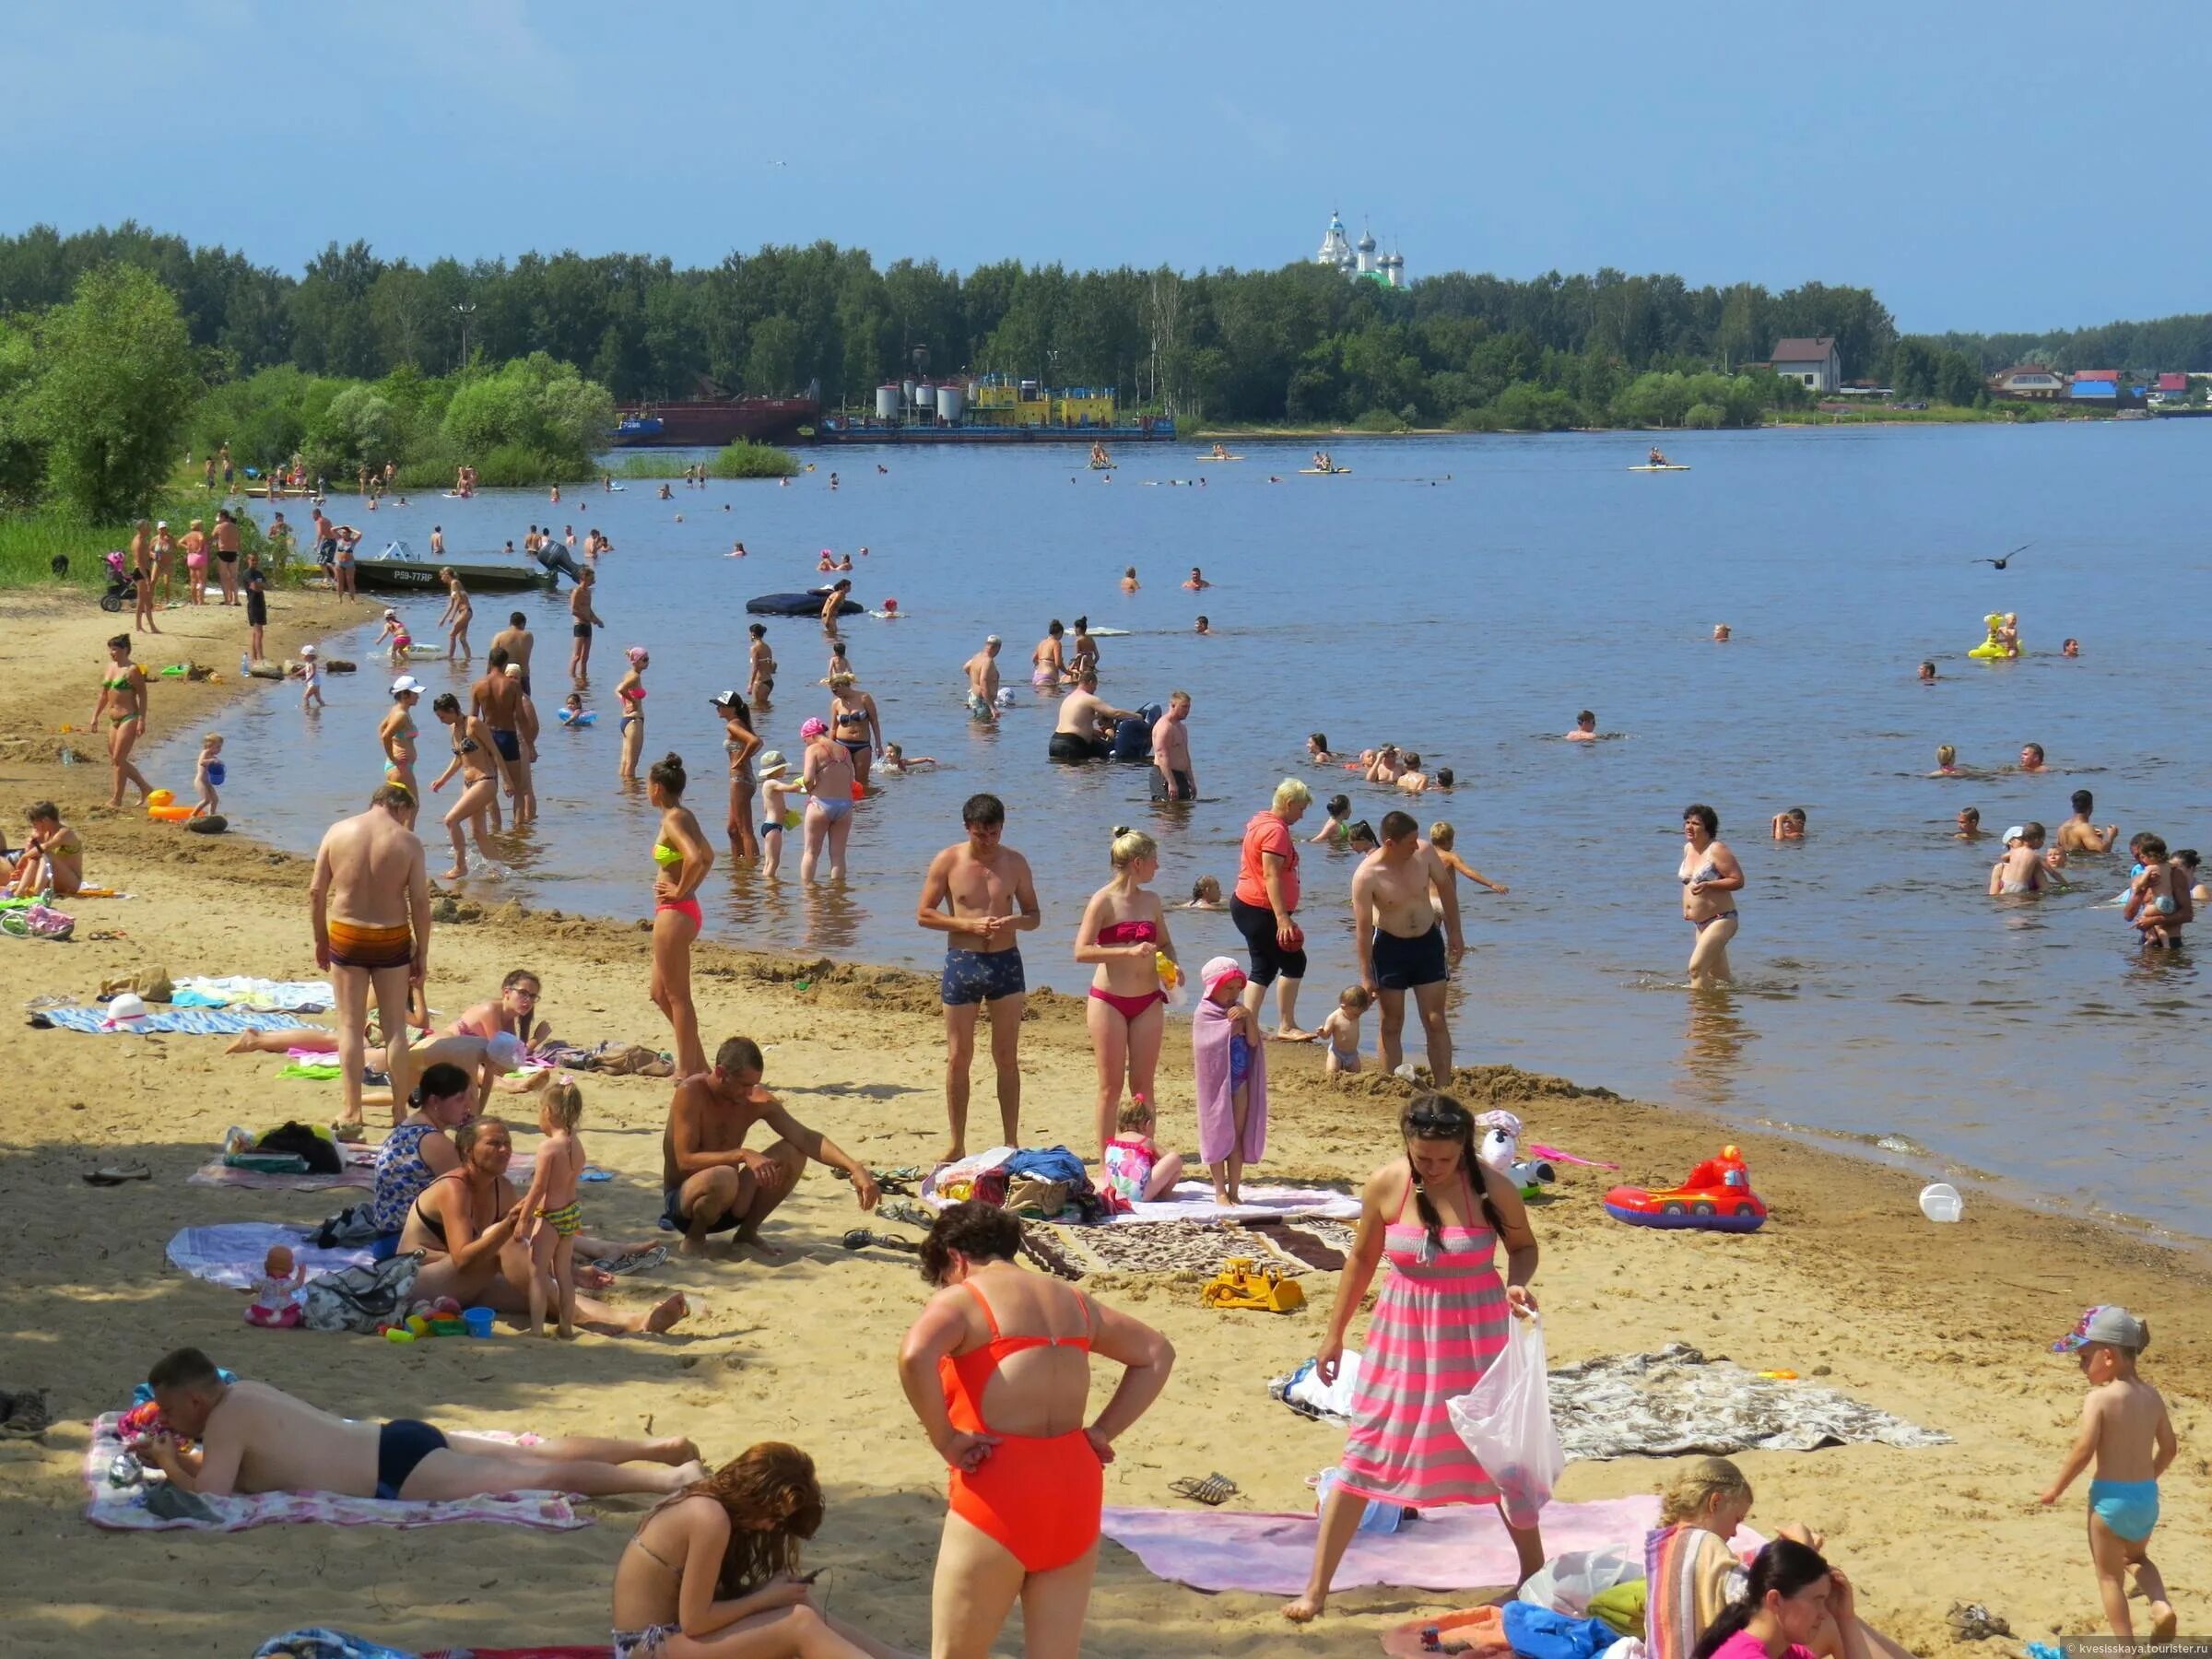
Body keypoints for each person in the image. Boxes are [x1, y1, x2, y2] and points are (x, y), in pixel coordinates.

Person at [1284, 1094, 1541, 1622]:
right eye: (1423, 1158)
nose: (1433, 1168)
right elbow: (1359, 1261)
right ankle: (1316, 1589)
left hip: (1478, 1335)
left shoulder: (1493, 1189)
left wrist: (1517, 1286)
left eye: (1444, 1160)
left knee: (1498, 1457)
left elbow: (1524, 1247)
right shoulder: (1386, 1184)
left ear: (1463, 1150)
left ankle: (1533, 1576)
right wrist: (1333, 1336)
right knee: (1366, 1450)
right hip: (1403, 1332)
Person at [896, 1202, 1174, 1659]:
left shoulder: (965, 1298)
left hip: (999, 1488)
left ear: (956, 1257)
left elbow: (914, 1355)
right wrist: (1103, 1431)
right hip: (1075, 1488)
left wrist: (945, 1439)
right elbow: (1156, 1353)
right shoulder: (1074, 1300)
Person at [135, 1347, 701, 1501]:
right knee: (538, 1451)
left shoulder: (227, 1420)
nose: (166, 1419)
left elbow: (214, 1497)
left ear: (195, 1400)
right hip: (397, 1436)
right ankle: (655, 1448)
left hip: (395, 1471)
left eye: (169, 1409)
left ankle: (668, 1482)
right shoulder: (245, 1394)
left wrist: (167, 1463)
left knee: (539, 1477)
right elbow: (227, 1472)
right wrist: (179, 1456)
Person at [612, 1443, 916, 1659]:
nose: (771, 1528)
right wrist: (765, 1598)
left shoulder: (708, 1502)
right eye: (773, 1517)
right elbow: (696, 1621)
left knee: (799, 1605)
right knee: (799, 1625)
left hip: (668, 1640)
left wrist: (771, 1598)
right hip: (645, 1648)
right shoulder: (709, 1517)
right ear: (753, 1496)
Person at [404, 1116, 688, 1334]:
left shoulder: (500, 1186)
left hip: (468, 1282)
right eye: (493, 1144)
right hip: (417, 1281)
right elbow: (464, 1258)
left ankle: (634, 1321)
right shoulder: (454, 1188)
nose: (504, 1150)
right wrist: (508, 1226)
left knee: (544, 1290)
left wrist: (569, 1271)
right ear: (467, 1151)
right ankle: (580, 1319)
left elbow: (527, 1245)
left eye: (507, 1144)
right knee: (503, 1240)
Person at [1645, 1457, 1916, 1659]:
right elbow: (1758, 1603)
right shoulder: (1706, 1544)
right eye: (1736, 1518)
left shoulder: (1667, 1544)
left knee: (1834, 1613)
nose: (1736, 1530)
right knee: (1831, 1621)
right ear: (1715, 1503)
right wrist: (1803, 1551)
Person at [663, 1036, 880, 1257]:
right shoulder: (691, 1093)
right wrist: (743, 1155)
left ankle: (747, 1233)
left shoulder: (756, 1100)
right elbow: (685, 1160)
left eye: (754, 1085)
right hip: (685, 1204)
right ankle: (695, 1239)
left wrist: (855, 1168)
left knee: (793, 1151)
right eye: (744, 1085)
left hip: (730, 1202)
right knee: (724, 1175)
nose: (749, 1092)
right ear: (720, 1073)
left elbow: (806, 1137)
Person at [917, 794, 1040, 1162]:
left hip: (1006, 962)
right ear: (967, 828)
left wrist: (1014, 921)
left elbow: (1034, 915)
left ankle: (1010, 1140)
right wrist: (967, 924)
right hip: (963, 961)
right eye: (981, 834)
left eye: (994, 833)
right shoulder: (949, 860)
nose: (988, 840)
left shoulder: (1015, 862)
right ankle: (957, 1143)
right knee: (959, 1056)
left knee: (1006, 1055)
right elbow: (924, 913)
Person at [311, 783, 431, 1137]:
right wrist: (421, 950)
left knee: (349, 1025)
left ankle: (352, 1110)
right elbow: (421, 903)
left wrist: (321, 937)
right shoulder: (408, 842)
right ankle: (398, 1112)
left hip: (347, 932)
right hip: (390, 935)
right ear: (401, 807)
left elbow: (316, 891)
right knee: (394, 1028)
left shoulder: (338, 831)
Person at [1075, 827, 1178, 1155]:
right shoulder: (1103, 900)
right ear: (1137, 863)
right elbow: (1081, 951)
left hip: (1148, 1000)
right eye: (1153, 861)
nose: (1157, 867)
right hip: (1109, 1001)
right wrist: (1126, 952)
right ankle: (1107, 1161)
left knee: (1143, 1086)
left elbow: (1164, 943)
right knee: (1110, 1086)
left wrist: (1172, 968)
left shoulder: (1152, 900)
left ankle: (1141, 1153)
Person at [1352, 811, 1464, 1083]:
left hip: (1427, 943)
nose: (1417, 845)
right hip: (1390, 948)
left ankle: (1443, 1084)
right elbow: (1364, 929)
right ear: (1390, 843)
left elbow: (1446, 890)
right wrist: (1366, 976)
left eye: (1417, 839)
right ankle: (1393, 1083)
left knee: (1436, 1019)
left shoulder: (1424, 853)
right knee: (1391, 1022)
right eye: (1410, 841)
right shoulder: (1367, 875)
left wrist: (1455, 933)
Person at [1685, 1539, 1872, 1659]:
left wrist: (1845, 1619)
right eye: (1816, 1600)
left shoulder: (1788, 1653)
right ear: (1775, 1600)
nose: (1823, 1614)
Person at [648, 754, 714, 1079]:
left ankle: (688, 1070)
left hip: (675, 913)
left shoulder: (673, 819)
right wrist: (689, 890)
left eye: (648, 785)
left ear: (657, 787)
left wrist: (680, 891)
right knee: (659, 993)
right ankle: (698, 1062)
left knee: (677, 997)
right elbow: (709, 855)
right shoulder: (684, 814)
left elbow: (694, 857)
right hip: (681, 910)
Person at [1233, 778, 1314, 1040]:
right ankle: (1286, 1025)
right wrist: (1282, 918)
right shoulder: (1275, 831)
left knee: (1264, 966)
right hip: (1260, 908)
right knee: (1295, 961)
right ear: (1289, 804)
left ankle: (1249, 1022)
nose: (1302, 816)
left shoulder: (1261, 821)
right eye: (1301, 809)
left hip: (1248, 905)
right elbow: (1271, 875)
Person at [1192, 958, 1265, 1204]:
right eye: (1228, 988)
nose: (1234, 994)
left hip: (1240, 1081)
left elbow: (1253, 1042)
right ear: (1213, 987)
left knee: (1236, 1134)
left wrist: (1249, 1017)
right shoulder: (1205, 1012)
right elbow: (1205, 1045)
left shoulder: (1240, 1011)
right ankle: (1219, 1190)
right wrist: (1228, 1027)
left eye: (1237, 988)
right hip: (1215, 1086)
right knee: (1217, 1132)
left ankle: (1234, 1190)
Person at [518, 1077, 587, 1338]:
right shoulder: (575, 1143)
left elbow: (538, 1189)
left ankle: (536, 1330)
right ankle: (566, 1326)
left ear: (548, 1112)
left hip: (550, 1216)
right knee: (564, 1274)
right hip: (570, 1213)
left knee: (537, 1273)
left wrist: (524, 1219)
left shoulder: (549, 1147)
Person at [370, 1060, 475, 1230]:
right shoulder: (434, 1142)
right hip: (409, 1237)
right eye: (460, 1099)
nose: (468, 1106)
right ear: (434, 1101)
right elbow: (469, 1192)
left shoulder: (409, 1127)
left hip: (387, 1230)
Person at [430, 693, 499, 880]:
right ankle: (498, 870)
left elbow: (495, 751)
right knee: (478, 833)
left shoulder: (474, 723)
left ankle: (460, 866)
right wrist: (443, 780)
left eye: (442, 716)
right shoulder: (453, 728)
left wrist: (507, 781)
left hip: (485, 780)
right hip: (468, 783)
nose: (441, 721)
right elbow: (460, 758)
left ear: (452, 710)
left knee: (451, 820)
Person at [1679, 804, 1745, 991]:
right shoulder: (1688, 849)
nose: (1689, 827)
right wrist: (1687, 908)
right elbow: (1688, 884)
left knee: (1696, 969)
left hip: (1722, 919)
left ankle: (1698, 1017)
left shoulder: (1716, 849)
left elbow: (1738, 880)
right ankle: (1722, 1016)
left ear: (1708, 827)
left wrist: (1710, 884)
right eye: (1687, 822)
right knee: (1720, 980)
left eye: (1696, 824)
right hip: (1700, 923)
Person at [92, 635, 153, 809]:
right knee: (116, 760)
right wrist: (95, 716)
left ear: (125, 649)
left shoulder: (132, 670)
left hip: (129, 716)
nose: (112, 653)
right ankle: (145, 788)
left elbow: (143, 694)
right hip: (113, 719)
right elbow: (104, 694)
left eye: (115, 649)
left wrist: (142, 719)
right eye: (110, 649)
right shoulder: (110, 667)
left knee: (119, 758)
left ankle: (116, 799)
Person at [798, 716, 857, 884]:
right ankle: (838, 895)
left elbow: (808, 778)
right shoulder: (845, 751)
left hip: (821, 805)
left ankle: (808, 894)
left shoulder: (813, 749)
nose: (806, 744)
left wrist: (809, 790)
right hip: (845, 806)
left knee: (811, 852)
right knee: (838, 855)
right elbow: (851, 781)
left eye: (805, 740)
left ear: (810, 735)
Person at [1101, 1096, 1185, 1203]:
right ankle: (1164, 1195)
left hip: (1115, 1194)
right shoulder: (1146, 1142)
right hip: (1139, 1195)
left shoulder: (1112, 1144)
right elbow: (1166, 1159)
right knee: (1174, 1159)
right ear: (1147, 1124)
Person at [711, 692, 763, 860]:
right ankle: (739, 868)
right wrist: (744, 759)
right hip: (744, 778)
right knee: (732, 830)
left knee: (744, 829)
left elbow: (754, 741)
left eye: (721, 706)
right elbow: (759, 742)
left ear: (731, 708)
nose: (717, 708)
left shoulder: (733, 725)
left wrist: (741, 760)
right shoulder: (740, 723)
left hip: (739, 780)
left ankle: (751, 868)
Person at [2123, 834, 2194, 948]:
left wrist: (2154, 920)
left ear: (2155, 854)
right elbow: (2128, 916)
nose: (2139, 860)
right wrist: (2143, 888)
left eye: (2142, 855)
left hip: (2171, 942)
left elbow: (2187, 915)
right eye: (2136, 856)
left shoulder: (2175, 874)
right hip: (2147, 941)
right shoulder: (2139, 878)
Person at [1047, 670, 1130, 762]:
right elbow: (1114, 713)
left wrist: (1098, 733)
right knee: (1088, 774)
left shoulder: (1069, 699)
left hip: (1055, 742)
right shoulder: (1089, 698)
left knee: (1064, 775)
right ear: (1091, 682)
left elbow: (1075, 724)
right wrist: (1136, 716)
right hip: (1072, 744)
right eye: (1095, 686)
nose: (1095, 689)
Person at [7, 802, 83, 900]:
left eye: (35, 824)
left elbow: (43, 849)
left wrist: (23, 857)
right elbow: (34, 853)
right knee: (36, 857)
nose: (34, 827)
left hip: (71, 884)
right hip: (55, 882)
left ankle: (38, 893)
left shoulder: (64, 833)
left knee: (46, 855)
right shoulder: (48, 833)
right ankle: (19, 892)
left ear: (45, 820)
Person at [827, 672, 883, 786]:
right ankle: (848, 804)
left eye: (834, 690)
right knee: (842, 781)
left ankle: (864, 804)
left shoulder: (864, 698)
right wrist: (829, 748)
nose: (834, 693)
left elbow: (874, 722)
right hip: (841, 745)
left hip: (861, 745)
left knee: (862, 782)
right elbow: (833, 727)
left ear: (841, 686)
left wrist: (878, 744)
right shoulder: (836, 703)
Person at [1429, 823, 1507, 899]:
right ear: (1448, 840)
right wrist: (1492, 884)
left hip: (1428, 902)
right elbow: (1468, 872)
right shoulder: (1451, 857)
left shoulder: (1425, 855)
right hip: (1445, 903)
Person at [381, 677, 423, 799]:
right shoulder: (401, 715)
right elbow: (385, 735)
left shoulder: (396, 710)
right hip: (400, 768)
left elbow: (381, 728)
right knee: (413, 807)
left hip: (400, 766)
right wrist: (393, 757)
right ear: (405, 694)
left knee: (400, 809)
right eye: (415, 694)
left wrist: (392, 751)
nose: (418, 697)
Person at [1150, 691, 1196, 802]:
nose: (1187, 711)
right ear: (1172, 705)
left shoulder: (1182, 728)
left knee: (1184, 815)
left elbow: (1185, 755)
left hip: (1181, 776)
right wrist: (1171, 782)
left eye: (1188, 707)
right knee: (1167, 814)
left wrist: (1191, 780)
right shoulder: (1164, 726)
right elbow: (1161, 755)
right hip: (1164, 775)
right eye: (1184, 707)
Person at [1317, 984, 1371, 1077]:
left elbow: (1366, 1005)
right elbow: (1326, 1036)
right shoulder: (1334, 1018)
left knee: (1357, 1073)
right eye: (1355, 1014)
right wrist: (1322, 1033)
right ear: (1343, 1006)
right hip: (1337, 1052)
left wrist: (1373, 997)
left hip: (1352, 1053)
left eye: (1360, 1013)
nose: (1358, 1016)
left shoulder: (1357, 1011)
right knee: (1332, 1073)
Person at [617, 648, 650, 783]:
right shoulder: (634, 676)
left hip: (627, 720)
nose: (648, 662)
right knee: (632, 763)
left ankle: (625, 792)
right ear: (636, 661)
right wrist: (633, 702)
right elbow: (621, 689)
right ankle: (631, 797)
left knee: (625, 762)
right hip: (634, 721)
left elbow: (618, 690)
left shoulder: (629, 674)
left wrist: (626, 702)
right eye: (645, 659)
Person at [757, 750, 793, 879]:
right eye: (783, 768)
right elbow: (790, 788)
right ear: (776, 770)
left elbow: (767, 809)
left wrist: (785, 812)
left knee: (769, 861)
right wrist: (803, 784)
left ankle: (768, 886)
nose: (785, 770)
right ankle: (770, 890)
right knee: (773, 862)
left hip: (769, 825)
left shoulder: (768, 786)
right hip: (774, 827)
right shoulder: (773, 783)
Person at [1989, 824, 2050, 898]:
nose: (2026, 841)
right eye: (2022, 838)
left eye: (2028, 838)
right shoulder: (1999, 868)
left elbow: (2045, 889)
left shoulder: (2033, 864)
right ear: (2010, 842)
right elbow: (1993, 896)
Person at [2058, 790, 2120, 855]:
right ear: (2091, 807)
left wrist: (2096, 838)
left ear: (2073, 807)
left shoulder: (2063, 827)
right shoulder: (2084, 828)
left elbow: (2061, 849)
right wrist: (2111, 836)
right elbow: (2102, 850)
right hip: (2080, 864)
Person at [569, 568, 604, 681]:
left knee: (585, 657)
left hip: (588, 625)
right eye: (591, 578)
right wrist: (588, 619)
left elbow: (588, 609)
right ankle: (572, 678)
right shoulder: (576, 591)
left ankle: (583, 679)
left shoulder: (588, 592)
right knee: (576, 656)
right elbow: (574, 610)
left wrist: (597, 620)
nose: (593, 580)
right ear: (584, 577)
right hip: (579, 625)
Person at [490, 611, 535, 697]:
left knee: (503, 708)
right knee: (524, 707)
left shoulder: (499, 636)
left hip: (505, 677)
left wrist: (489, 678)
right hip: (523, 677)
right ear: (523, 624)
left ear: (510, 623)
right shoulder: (528, 636)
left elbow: (492, 659)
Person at [963, 634, 1003, 724]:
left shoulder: (978, 656)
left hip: (975, 698)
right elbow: (983, 682)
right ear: (996, 648)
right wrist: (992, 707)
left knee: (979, 729)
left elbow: (966, 667)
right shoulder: (987, 661)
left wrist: (974, 681)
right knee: (986, 733)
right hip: (983, 701)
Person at [440, 569, 473, 664]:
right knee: (462, 638)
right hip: (465, 612)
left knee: (452, 634)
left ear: (447, 575)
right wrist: (443, 619)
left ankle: (450, 658)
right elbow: (451, 604)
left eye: (442, 576)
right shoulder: (452, 585)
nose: (441, 579)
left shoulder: (454, 582)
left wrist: (452, 616)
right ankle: (468, 660)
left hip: (465, 611)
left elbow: (458, 599)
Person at [212, 509, 242, 606]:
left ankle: (227, 600)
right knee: (234, 577)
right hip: (234, 552)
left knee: (224, 577)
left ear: (223, 516)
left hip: (223, 552)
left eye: (218, 516)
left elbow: (213, 537)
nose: (217, 518)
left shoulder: (218, 527)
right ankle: (236, 599)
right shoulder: (236, 527)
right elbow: (239, 541)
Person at [192, 734, 224, 819]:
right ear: (209, 746)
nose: (220, 749)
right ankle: (192, 816)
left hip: (208, 782)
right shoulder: (205, 752)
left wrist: (219, 768)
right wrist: (212, 760)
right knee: (207, 800)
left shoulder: (214, 757)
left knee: (215, 800)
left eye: (220, 747)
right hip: (200, 781)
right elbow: (202, 762)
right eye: (218, 747)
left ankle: (211, 816)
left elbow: (214, 770)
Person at [747, 621, 776, 706]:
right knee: (763, 707)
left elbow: (755, 668)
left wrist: (750, 685)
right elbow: (772, 666)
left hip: (760, 682)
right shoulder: (767, 647)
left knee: (757, 710)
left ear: (753, 634)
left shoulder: (754, 648)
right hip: (769, 682)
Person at [298, 643, 325, 712]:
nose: (302, 657)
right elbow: (304, 670)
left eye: (303, 655)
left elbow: (313, 673)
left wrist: (307, 680)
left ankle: (306, 709)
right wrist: (296, 674)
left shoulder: (312, 664)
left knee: (305, 697)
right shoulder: (308, 664)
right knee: (318, 699)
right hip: (316, 684)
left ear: (308, 656)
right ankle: (324, 706)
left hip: (313, 684)